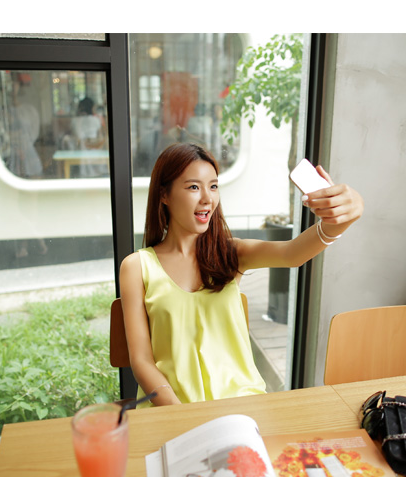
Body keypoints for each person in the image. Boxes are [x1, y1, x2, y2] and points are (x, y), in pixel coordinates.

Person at [119, 145, 364, 410]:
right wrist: (178, 413)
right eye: (194, 187)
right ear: (164, 194)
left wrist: (342, 219)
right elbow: (141, 361)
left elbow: (292, 254)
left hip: (241, 407)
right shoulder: (137, 267)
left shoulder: (231, 253)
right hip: (171, 411)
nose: (207, 199)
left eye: (213, 186)